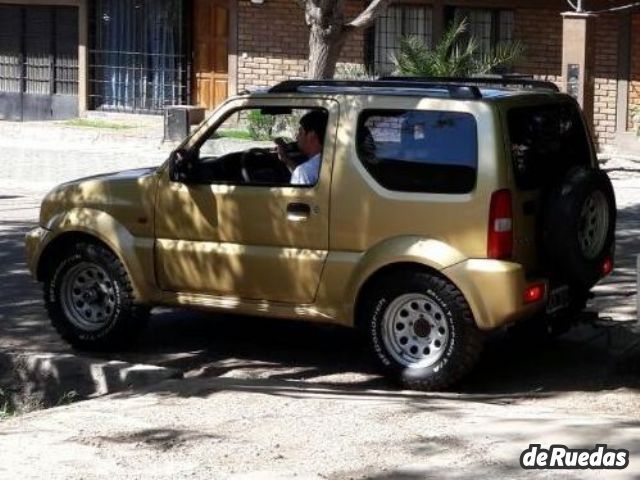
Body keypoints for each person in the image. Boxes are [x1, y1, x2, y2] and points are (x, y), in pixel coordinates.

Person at [276, 110, 327, 186]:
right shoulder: (328, 161)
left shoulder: (305, 172)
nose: (297, 137)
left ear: (311, 135)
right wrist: (286, 159)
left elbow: (302, 175)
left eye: (300, 133)